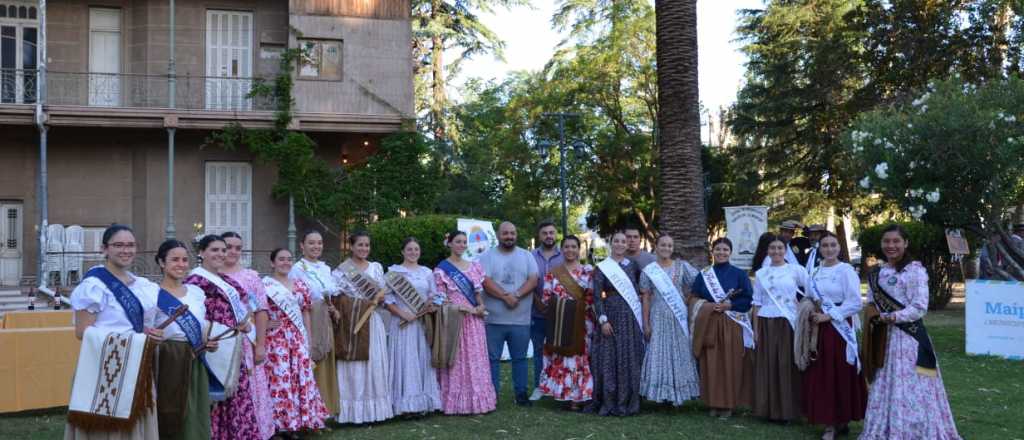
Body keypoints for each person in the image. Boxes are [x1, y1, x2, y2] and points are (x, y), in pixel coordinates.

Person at [860, 225, 961, 439]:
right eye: (887, 241)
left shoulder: (915, 270)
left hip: (909, 339)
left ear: (905, 243)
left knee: (916, 385)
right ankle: (888, 428)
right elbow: (871, 301)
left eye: (896, 241)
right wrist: (874, 314)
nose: (891, 246)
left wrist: (894, 316)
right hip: (884, 339)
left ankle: (916, 430)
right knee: (887, 383)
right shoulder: (878, 272)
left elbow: (919, 307)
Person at [65, 225, 162, 440]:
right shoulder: (94, 286)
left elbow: (130, 324)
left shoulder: (140, 285)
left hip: (136, 364)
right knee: (105, 429)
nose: (125, 250)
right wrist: (135, 340)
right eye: (118, 245)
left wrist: (146, 333)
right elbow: (82, 332)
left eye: (130, 245)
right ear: (104, 249)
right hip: (104, 368)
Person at [185, 234, 261, 440]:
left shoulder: (226, 281)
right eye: (214, 250)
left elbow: (242, 308)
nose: (220, 254)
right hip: (214, 349)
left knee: (236, 398)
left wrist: (244, 323)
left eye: (222, 250)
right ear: (201, 253)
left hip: (233, 347)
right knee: (217, 402)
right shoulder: (195, 280)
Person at [802, 232, 867, 440]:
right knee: (823, 373)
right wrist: (810, 311)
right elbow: (809, 296)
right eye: (824, 246)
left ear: (839, 247)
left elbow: (855, 302)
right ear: (819, 249)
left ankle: (841, 419)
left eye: (832, 245)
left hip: (839, 327)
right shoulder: (815, 271)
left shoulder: (846, 271)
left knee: (840, 372)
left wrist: (828, 316)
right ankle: (829, 422)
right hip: (818, 327)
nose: (829, 249)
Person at [152, 239, 216, 440]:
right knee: (171, 410)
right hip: (167, 361)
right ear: (162, 263)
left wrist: (209, 342)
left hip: (195, 359)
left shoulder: (196, 293)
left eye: (185, 260)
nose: (181, 264)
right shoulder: (152, 294)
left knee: (195, 411)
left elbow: (202, 326)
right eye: (175, 260)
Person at [261, 248, 329, 436]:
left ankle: (300, 422)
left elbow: (305, 311)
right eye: (281, 259)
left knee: (300, 377)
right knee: (280, 379)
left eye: (289, 259)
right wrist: (265, 324)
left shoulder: (300, 284)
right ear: (272, 262)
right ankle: (280, 424)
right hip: (276, 340)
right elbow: (257, 312)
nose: (285, 262)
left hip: (297, 337)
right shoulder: (265, 285)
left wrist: (307, 337)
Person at [331, 231, 394, 424]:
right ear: (351, 246)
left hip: (372, 320)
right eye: (360, 245)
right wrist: (355, 305)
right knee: (354, 363)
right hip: (352, 322)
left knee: (373, 361)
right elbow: (336, 298)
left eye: (367, 245)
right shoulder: (341, 271)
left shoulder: (376, 268)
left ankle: (373, 411)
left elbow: (383, 295)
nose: (364, 249)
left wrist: (379, 298)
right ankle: (352, 412)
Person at [434, 230, 496, 415]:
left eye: (464, 242)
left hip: (474, 322)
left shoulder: (474, 267)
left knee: (476, 360)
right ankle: (454, 402)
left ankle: (478, 402)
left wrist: (481, 306)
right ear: (450, 244)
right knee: (457, 360)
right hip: (454, 320)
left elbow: (478, 294)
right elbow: (440, 299)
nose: (461, 245)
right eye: (458, 242)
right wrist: (465, 309)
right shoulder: (441, 270)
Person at [691, 237, 754, 419]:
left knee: (730, 362)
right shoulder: (704, 274)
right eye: (718, 249)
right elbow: (694, 296)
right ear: (713, 252)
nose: (721, 252)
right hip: (709, 323)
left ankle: (728, 405)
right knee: (710, 362)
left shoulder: (739, 274)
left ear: (730, 252)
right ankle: (713, 402)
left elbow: (747, 299)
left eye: (725, 249)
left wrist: (730, 306)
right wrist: (707, 306)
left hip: (731, 322)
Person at [220, 231, 274, 440]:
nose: (232, 251)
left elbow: (260, 311)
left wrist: (260, 344)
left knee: (250, 390)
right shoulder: (210, 276)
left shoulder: (250, 277)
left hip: (246, 344)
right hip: (220, 342)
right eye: (228, 247)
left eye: (237, 248)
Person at [479, 222, 539, 406]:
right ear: (498, 235)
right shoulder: (487, 256)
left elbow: (533, 279)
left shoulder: (526, 255)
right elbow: (484, 281)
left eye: (512, 233)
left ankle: (521, 394)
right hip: (494, 319)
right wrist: (505, 296)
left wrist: (517, 295)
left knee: (520, 359)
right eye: (505, 233)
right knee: (492, 359)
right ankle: (492, 394)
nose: (509, 236)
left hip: (520, 320)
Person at [586, 231, 645, 416]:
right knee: (609, 359)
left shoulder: (633, 266)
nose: (620, 244)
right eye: (616, 241)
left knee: (629, 357)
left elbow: (640, 291)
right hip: (610, 317)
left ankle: (628, 402)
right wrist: (602, 320)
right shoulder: (602, 267)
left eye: (623, 241)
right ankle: (609, 401)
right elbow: (596, 297)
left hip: (630, 318)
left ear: (627, 245)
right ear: (611, 243)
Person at [638, 234, 701, 406]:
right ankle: (661, 395)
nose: (666, 248)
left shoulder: (682, 267)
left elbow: (699, 284)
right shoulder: (649, 270)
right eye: (663, 245)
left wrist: (687, 301)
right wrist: (646, 323)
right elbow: (646, 298)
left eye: (669, 245)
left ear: (673, 248)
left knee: (679, 353)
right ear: (656, 247)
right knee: (659, 352)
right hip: (657, 317)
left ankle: (677, 395)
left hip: (677, 316)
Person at [382, 238, 443, 415]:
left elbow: (433, 295)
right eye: (409, 249)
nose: (413, 252)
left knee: (421, 359)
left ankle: (421, 404)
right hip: (402, 323)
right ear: (402, 251)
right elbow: (387, 301)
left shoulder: (426, 272)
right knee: (405, 360)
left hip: (421, 323)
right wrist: (403, 314)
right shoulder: (393, 273)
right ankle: (404, 406)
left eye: (416, 249)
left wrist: (431, 305)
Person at [751, 233, 807, 422]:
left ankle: (789, 411)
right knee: (768, 366)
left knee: (786, 365)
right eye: (773, 248)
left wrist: (803, 308)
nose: (776, 251)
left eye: (780, 248)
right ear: (768, 251)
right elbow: (757, 303)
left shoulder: (796, 270)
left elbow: (811, 291)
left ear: (786, 250)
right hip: (766, 323)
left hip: (788, 323)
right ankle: (769, 410)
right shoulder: (761, 274)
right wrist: (756, 330)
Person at [537, 235, 595, 410]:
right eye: (566, 247)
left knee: (579, 358)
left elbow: (592, 298)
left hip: (581, 324)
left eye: (573, 247)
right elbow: (546, 299)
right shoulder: (553, 273)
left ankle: (577, 397)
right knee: (562, 357)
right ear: (561, 250)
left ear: (579, 249)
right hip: (559, 321)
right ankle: (562, 393)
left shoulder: (588, 272)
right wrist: (564, 307)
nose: (570, 250)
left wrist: (577, 308)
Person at [287, 230, 341, 417]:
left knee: (327, 361)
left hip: (325, 317)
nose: (316, 246)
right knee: (314, 361)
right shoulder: (297, 268)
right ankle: (312, 412)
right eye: (311, 243)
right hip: (309, 318)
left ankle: (327, 410)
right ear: (302, 246)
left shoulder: (325, 269)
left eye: (319, 243)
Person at [529, 221, 563, 401]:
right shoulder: (530, 256)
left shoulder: (565, 255)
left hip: (561, 314)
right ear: (539, 235)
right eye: (545, 233)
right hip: (537, 312)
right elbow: (526, 281)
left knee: (559, 351)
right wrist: (537, 301)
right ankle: (539, 386)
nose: (549, 236)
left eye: (552, 232)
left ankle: (558, 385)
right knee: (539, 351)